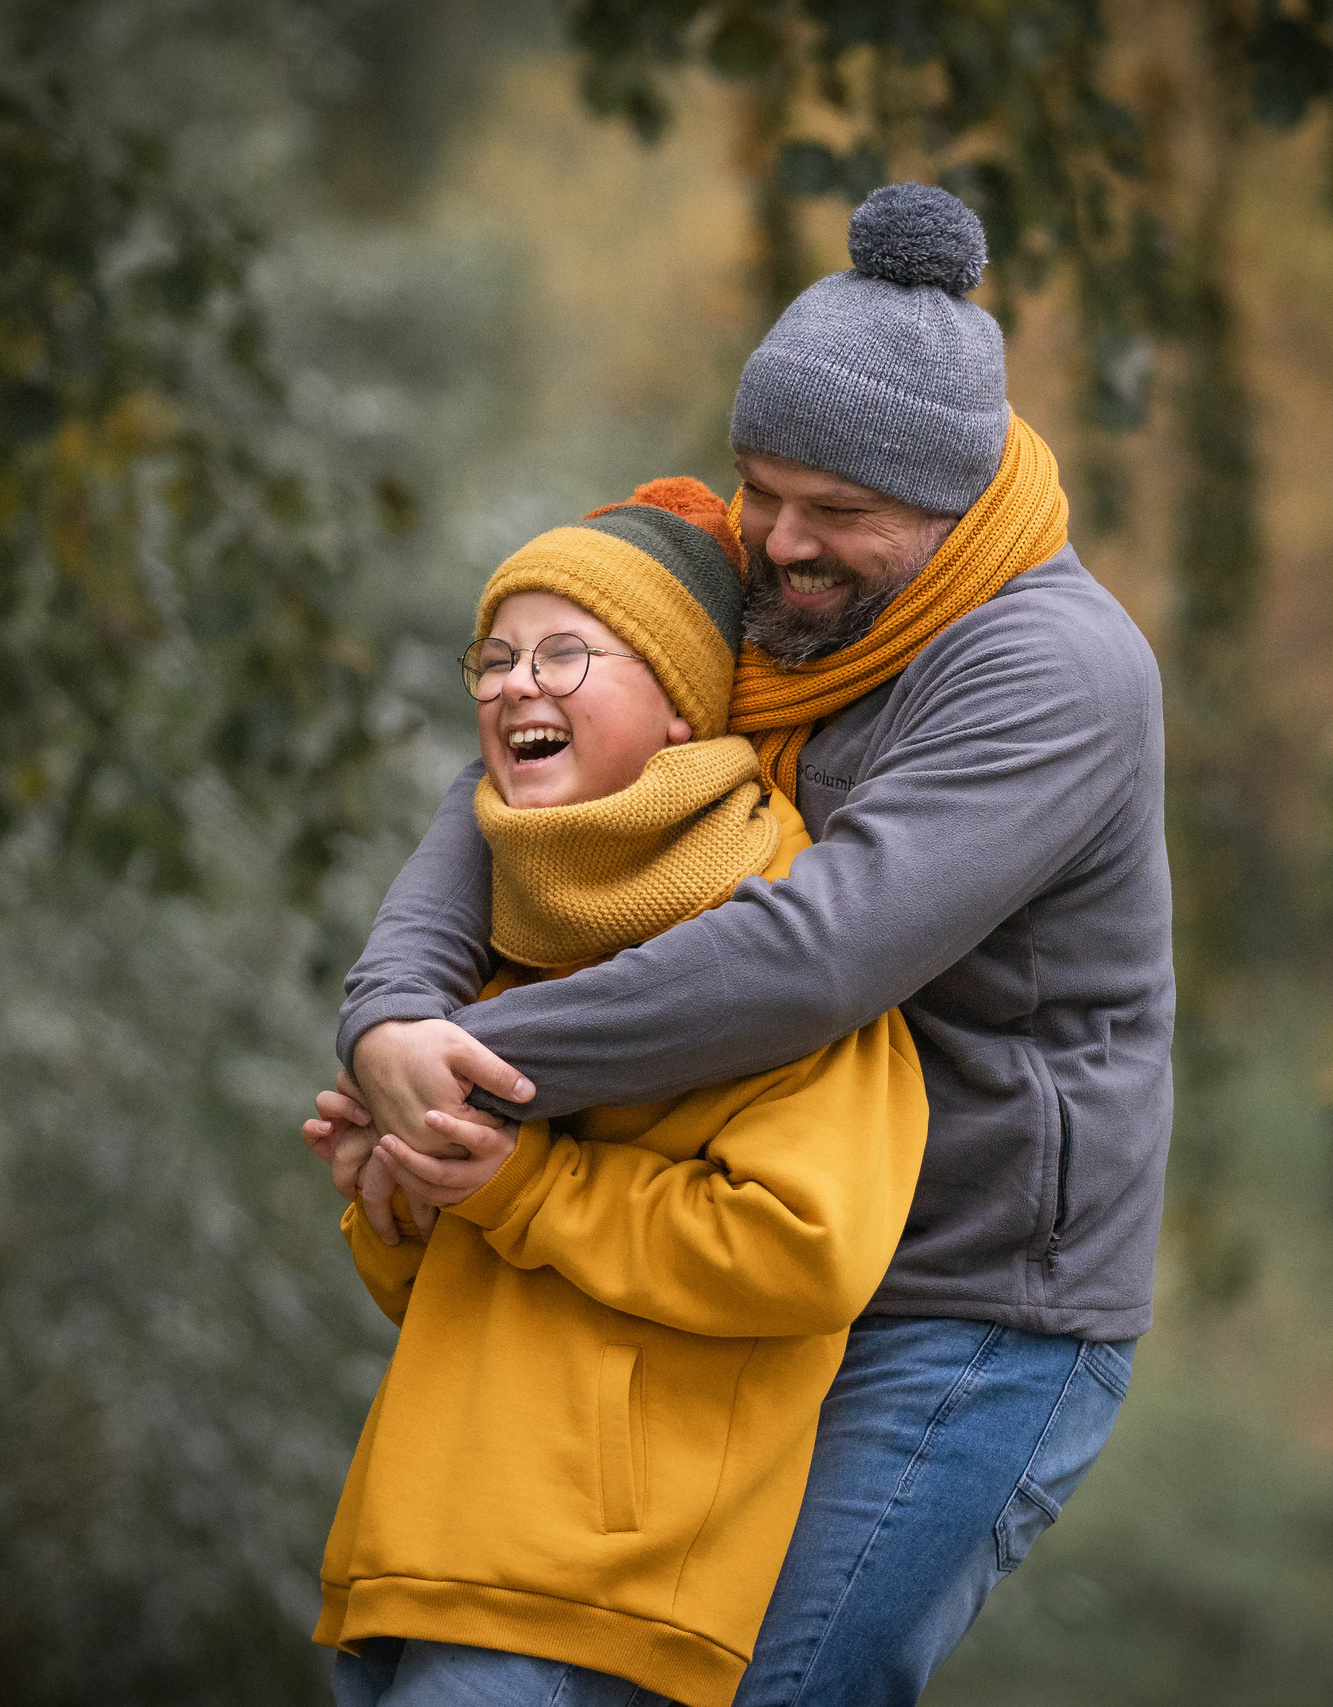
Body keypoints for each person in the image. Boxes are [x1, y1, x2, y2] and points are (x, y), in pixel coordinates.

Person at [321, 182, 1173, 1705]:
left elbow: (813, 958)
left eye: (834, 510)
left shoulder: (1052, 670)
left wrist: (469, 1073)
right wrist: (392, 1017)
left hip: (968, 1300)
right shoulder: (784, 584)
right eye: (759, 488)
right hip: (736, 1264)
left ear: (950, 499)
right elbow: (517, 764)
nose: (778, 540)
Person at [306, 479, 930, 1707]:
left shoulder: (777, 938)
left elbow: (805, 1250)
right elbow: (453, 1293)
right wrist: (396, 1190)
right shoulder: (499, 937)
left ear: (680, 697)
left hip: (591, 1601)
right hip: (416, 1559)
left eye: (563, 654)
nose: (514, 686)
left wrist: (523, 1184)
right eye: (494, 660)